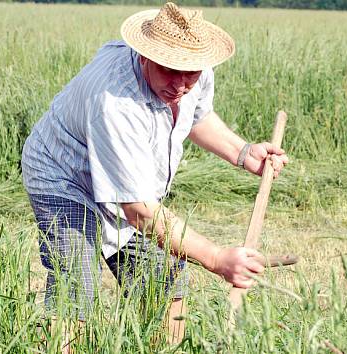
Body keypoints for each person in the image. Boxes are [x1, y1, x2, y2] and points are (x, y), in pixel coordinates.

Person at [21, 2, 289, 344]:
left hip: (130, 186)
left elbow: (197, 116)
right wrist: (218, 258)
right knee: (77, 284)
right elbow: (141, 213)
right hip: (66, 177)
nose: (180, 84)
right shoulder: (117, 102)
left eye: (189, 72)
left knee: (165, 276)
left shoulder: (194, 71)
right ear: (144, 56)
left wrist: (242, 152)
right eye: (169, 70)